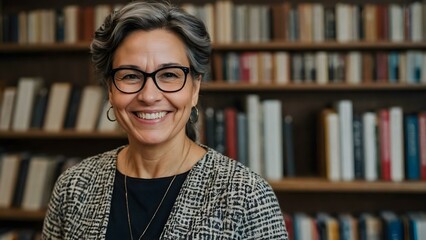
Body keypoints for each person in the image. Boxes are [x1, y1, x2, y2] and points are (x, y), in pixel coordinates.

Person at [42, 1, 288, 239]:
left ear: (194, 88)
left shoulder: (246, 195)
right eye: (130, 76)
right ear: (110, 89)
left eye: (169, 74)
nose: (149, 96)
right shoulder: (73, 186)